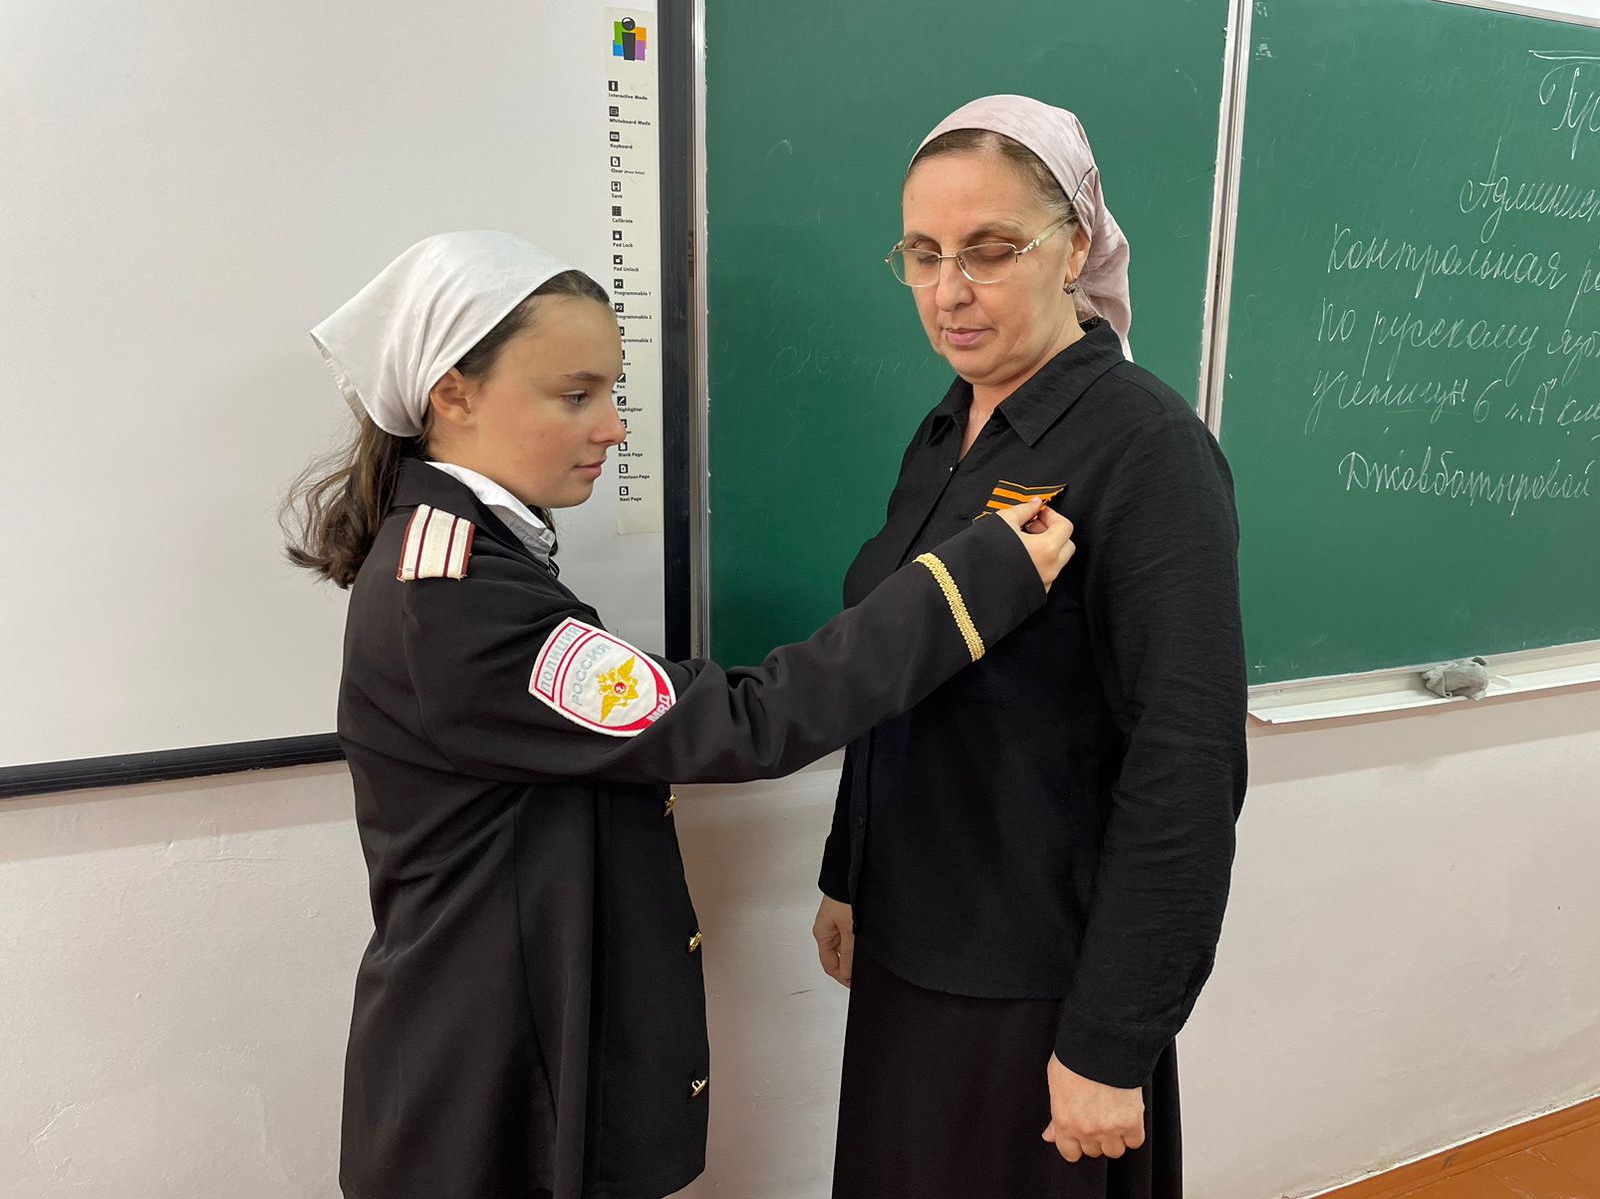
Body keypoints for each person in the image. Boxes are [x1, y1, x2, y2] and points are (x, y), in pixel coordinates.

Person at [281, 230, 1076, 1199]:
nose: (613, 428)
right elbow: (739, 724)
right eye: (575, 395)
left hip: (505, 1057)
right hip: (485, 1100)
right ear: (454, 395)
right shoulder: (455, 600)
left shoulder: (472, 551)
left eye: (611, 391)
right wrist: (969, 582)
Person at [811, 96, 1248, 1199]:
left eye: (990, 250)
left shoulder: (1148, 451)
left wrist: (1113, 1040)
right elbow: (897, 672)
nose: (949, 290)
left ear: (1077, 245)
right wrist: (848, 873)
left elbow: (1187, 761)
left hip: (1034, 982)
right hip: (912, 942)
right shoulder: (946, 429)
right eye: (923, 254)